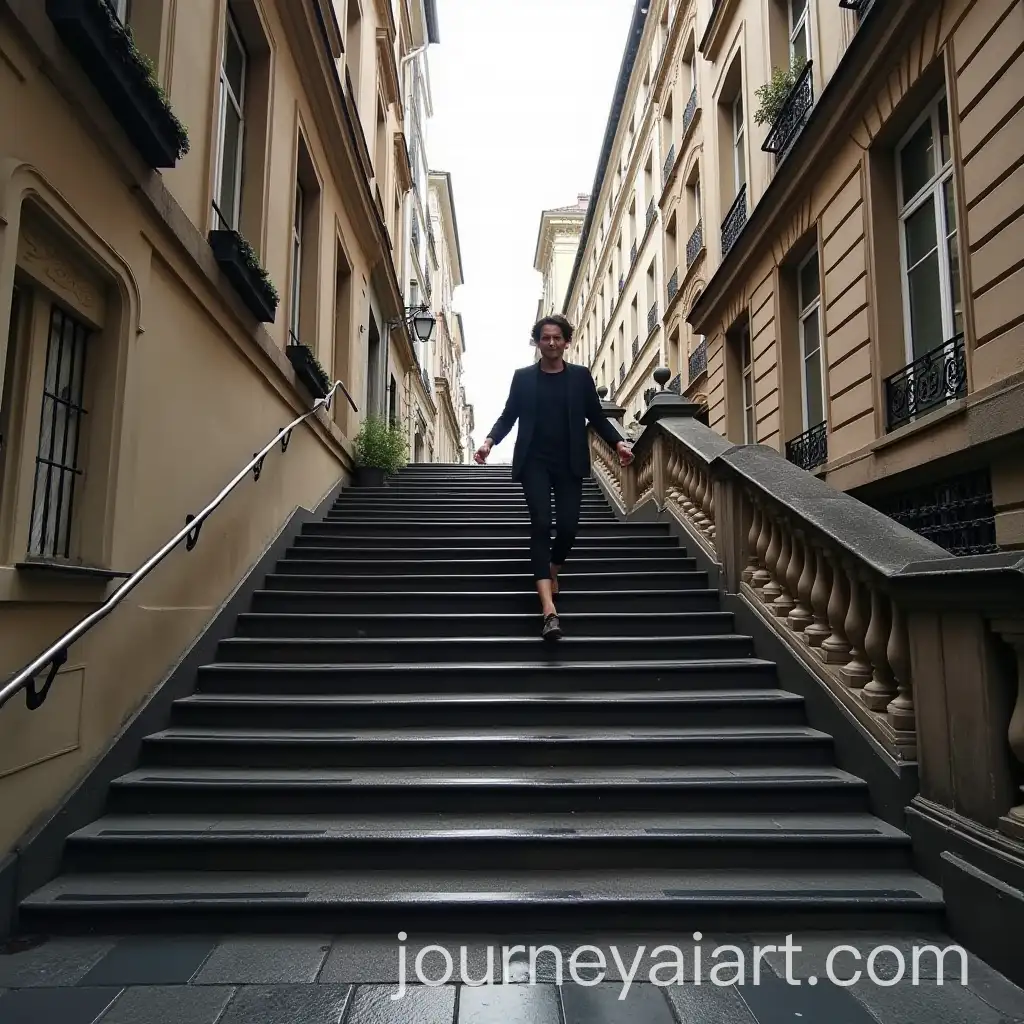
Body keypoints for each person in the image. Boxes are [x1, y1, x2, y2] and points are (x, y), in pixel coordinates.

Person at [474, 314, 634, 640]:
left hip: (569, 462)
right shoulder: (523, 379)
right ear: (537, 342)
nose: (551, 343)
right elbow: (509, 416)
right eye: (545, 338)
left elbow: (597, 416)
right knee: (540, 523)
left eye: (557, 338)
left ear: (566, 342)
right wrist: (489, 442)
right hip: (534, 461)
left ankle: (552, 569)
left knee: (569, 527)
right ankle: (548, 610)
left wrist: (618, 442)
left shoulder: (579, 377)